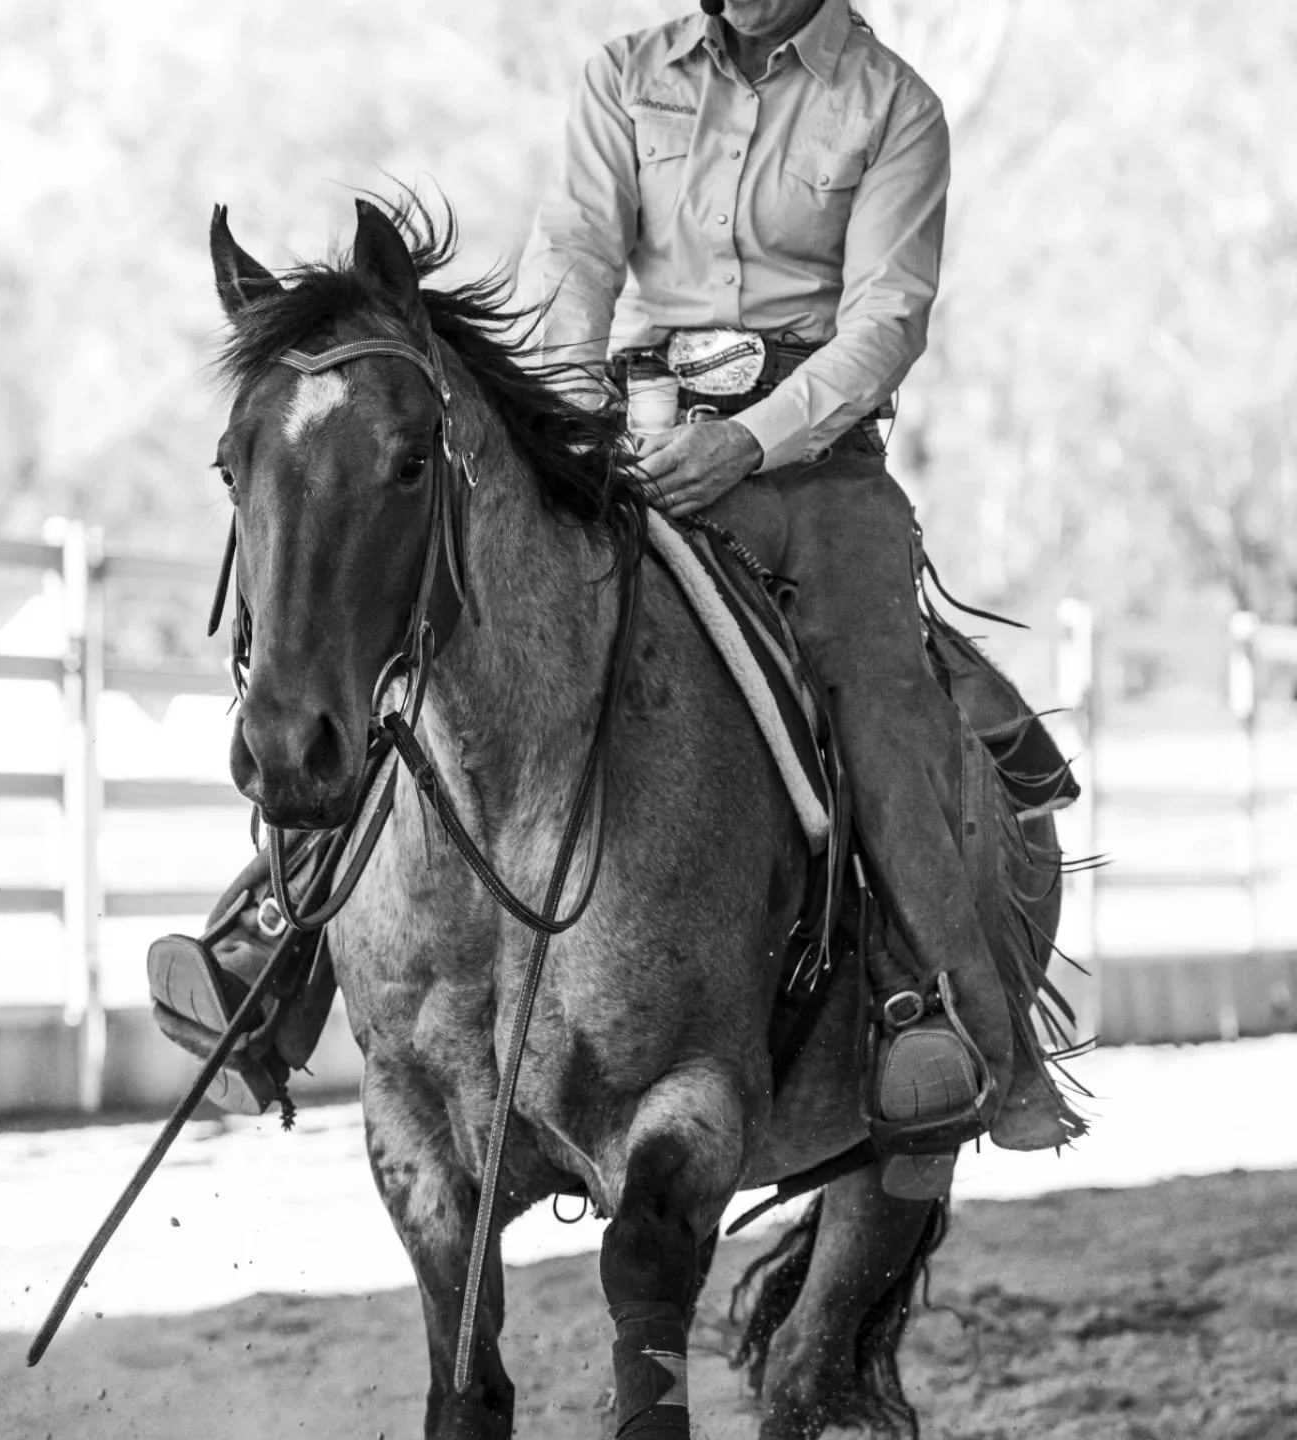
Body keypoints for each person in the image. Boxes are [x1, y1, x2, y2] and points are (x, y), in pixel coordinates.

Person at [149, 0, 1083, 1197]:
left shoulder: (895, 105)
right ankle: (278, 940)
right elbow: (578, 255)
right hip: (630, 431)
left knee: (876, 689)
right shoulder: (626, 78)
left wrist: (747, 440)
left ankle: (942, 1014)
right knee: (434, 614)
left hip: (811, 467)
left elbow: (884, 323)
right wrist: (576, 418)